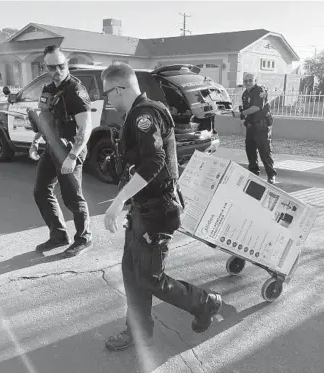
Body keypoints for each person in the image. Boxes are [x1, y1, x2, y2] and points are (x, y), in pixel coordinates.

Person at [101, 62, 222, 351]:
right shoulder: (138, 113)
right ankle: (139, 331)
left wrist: (118, 202)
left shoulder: (145, 115)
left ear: (119, 89)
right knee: (131, 272)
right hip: (144, 209)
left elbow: (154, 162)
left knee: (150, 278)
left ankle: (205, 303)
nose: (106, 99)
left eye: (107, 93)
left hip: (158, 211)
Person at [30, 45, 93, 257]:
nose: (57, 70)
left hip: (70, 150)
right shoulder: (48, 89)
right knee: (41, 191)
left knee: (73, 198)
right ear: (45, 67)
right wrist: (36, 140)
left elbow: (86, 128)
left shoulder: (75, 90)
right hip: (51, 147)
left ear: (67, 64)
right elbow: (46, 119)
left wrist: (73, 157)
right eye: (52, 67)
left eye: (61, 65)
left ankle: (84, 238)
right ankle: (58, 234)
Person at [233, 73, 277, 184]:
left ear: (255, 80)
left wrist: (242, 113)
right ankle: (253, 175)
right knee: (250, 152)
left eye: (250, 80)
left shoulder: (259, 90)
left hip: (262, 126)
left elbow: (256, 107)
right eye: (245, 81)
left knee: (265, 152)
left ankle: (271, 175)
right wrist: (237, 113)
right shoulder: (245, 94)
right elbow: (247, 110)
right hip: (251, 126)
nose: (247, 82)